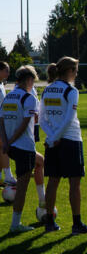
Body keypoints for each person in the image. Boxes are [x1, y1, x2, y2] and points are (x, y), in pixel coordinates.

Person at [40, 57, 87, 234]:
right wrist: (56, 137)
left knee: (52, 182)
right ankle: (77, 224)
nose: (76, 74)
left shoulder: (47, 89)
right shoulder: (71, 91)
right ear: (69, 71)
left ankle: (49, 222)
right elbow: (69, 119)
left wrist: (52, 137)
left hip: (53, 141)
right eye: (76, 71)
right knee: (74, 184)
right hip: (71, 140)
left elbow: (42, 119)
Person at [1, 66, 44, 232]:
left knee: (40, 162)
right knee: (22, 188)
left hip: (11, 147)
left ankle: (43, 201)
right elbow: (25, 124)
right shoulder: (29, 98)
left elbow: (1, 121)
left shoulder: (8, 97)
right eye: (33, 81)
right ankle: (15, 224)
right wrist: (10, 140)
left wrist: (6, 142)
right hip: (24, 147)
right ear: (29, 80)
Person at [0, 62, 16, 187]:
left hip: (2, 119)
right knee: (3, 146)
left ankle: (1, 176)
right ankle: (8, 176)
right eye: (6, 70)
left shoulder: (2, 84)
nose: (8, 73)